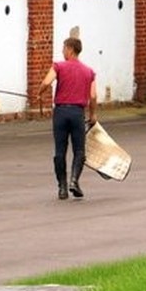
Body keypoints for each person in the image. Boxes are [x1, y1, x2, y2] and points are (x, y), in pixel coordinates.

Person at [34, 36, 97, 200]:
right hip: (77, 113)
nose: (62, 52)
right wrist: (93, 115)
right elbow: (93, 95)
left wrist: (39, 94)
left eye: (63, 48)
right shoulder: (89, 72)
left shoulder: (58, 66)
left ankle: (62, 187)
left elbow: (47, 82)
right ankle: (74, 181)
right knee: (79, 150)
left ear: (70, 49)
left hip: (61, 113)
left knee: (60, 151)